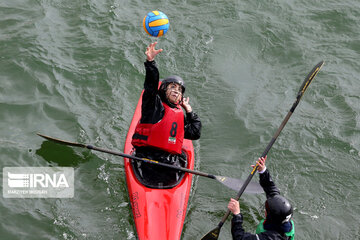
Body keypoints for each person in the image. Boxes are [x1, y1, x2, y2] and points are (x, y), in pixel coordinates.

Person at [131, 42, 202, 187]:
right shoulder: (153, 107)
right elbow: (151, 86)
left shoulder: (178, 115)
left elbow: (195, 133)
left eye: (180, 90)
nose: (177, 91)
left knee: (176, 163)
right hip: (146, 160)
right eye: (172, 87)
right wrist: (150, 62)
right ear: (163, 90)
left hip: (170, 164)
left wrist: (188, 110)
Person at [228, 156, 295, 240]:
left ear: (268, 215)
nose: (264, 210)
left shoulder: (271, 238)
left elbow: (239, 238)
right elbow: (271, 190)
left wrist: (237, 215)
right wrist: (263, 171)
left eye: (266, 210)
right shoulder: (284, 220)